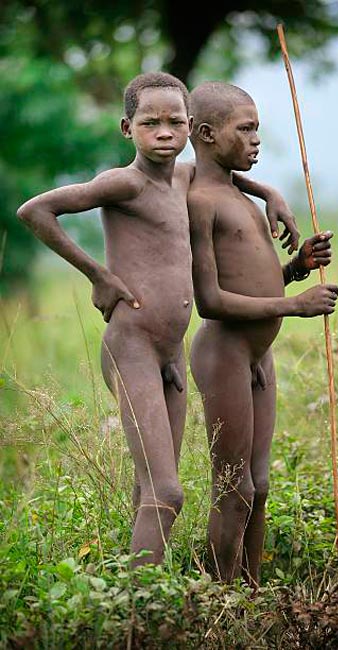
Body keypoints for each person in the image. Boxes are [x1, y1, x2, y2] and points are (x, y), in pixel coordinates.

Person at [16, 72, 300, 568]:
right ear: (128, 129)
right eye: (151, 123)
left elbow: (226, 176)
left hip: (170, 351)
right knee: (166, 492)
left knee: (149, 485)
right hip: (133, 345)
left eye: (175, 123)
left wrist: (270, 193)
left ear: (191, 127)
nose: (164, 132)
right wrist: (98, 275)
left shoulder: (187, 178)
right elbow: (36, 210)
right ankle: (138, 612)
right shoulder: (124, 182)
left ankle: (147, 599)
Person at [187, 81, 338, 589]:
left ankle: (251, 593)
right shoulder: (200, 201)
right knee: (233, 487)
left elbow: (253, 275)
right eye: (245, 129)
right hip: (224, 351)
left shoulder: (239, 194)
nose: (256, 140)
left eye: (258, 129)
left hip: (258, 355)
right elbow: (211, 300)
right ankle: (218, 598)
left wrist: (296, 268)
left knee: (261, 484)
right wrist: (294, 306)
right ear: (206, 134)